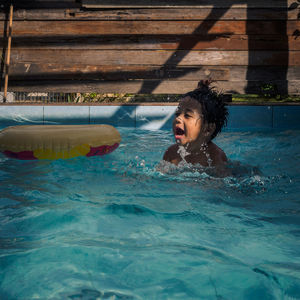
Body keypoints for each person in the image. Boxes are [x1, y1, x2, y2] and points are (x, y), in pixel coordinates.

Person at [163, 80, 228, 168]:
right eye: (177, 114)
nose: (178, 118)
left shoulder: (216, 157)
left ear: (208, 129)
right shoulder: (171, 153)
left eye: (187, 115)